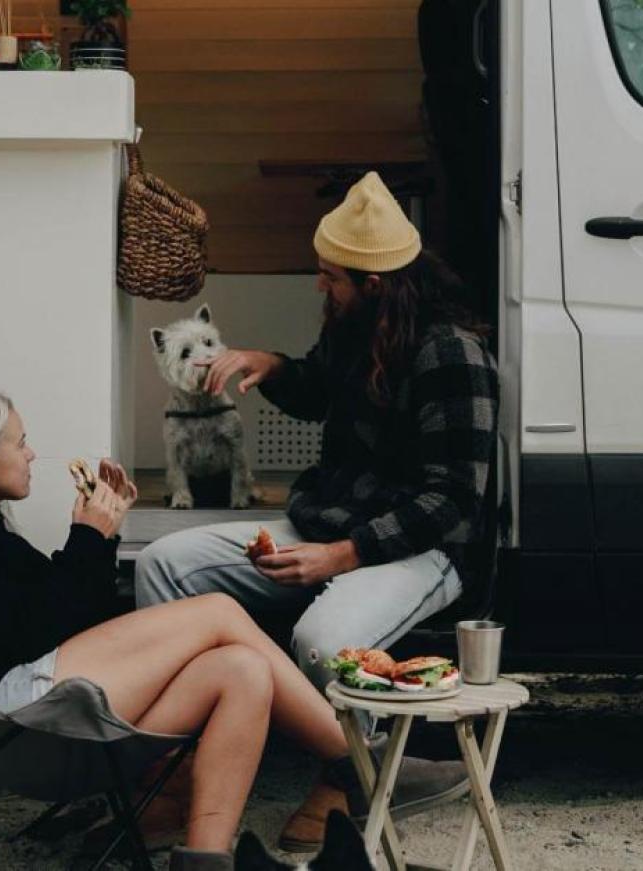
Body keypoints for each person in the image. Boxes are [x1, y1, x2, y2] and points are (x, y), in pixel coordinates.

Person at [0, 389, 455, 870]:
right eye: (20, 442)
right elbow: (30, 633)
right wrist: (88, 537)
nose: (31, 453)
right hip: (19, 710)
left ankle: (205, 859)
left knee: (243, 670)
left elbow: (67, 617)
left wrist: (101, 532)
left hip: (46, 689)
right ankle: (362, 765)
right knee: (219, 612)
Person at [135, 171, 499, 848]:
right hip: (329, 520)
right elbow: (314, 389)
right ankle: (177, 766)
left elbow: (453, 501)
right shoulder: (355, 326)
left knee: (321, 639)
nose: (319, 286)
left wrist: (345, 555)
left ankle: (351, 774)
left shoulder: (453, 354)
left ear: (376, 284)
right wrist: (267, 364)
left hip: (423, 547)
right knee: (164, 565)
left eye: (331, 277)